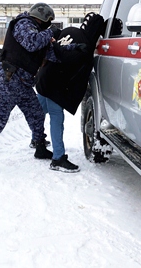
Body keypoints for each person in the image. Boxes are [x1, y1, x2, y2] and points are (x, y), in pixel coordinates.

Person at [0, 3, 62, 172]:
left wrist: (73, 50)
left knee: (36, 114)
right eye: (48, 22)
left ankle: (40, 147)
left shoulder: (38, 31)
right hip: (10, 81)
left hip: (24, 83)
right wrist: (50, 33)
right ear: (42, 18)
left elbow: (50, 54)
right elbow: (31, 43)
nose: (48, 25)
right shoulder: (24, 24)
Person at [35, 12, 106, 172]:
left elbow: (56, 43)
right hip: (54, 84)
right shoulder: (85, 45)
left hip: (44, 78)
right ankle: (58, 158)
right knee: (56, 117)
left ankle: (38, 143)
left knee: (39, 112)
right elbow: (72, 66)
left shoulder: (70, 30)